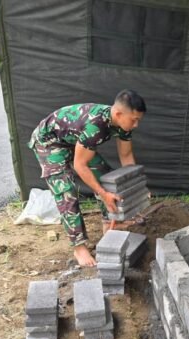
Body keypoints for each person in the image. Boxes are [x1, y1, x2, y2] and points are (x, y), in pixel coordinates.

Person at [28, 89, 146, 267]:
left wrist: (136, 187)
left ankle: (109, 222)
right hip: (49, 142)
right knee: (66, 191)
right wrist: (103, 194)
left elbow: (126, 156)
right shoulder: (95, 126)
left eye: (138, 120)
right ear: (118, 114)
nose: (136, 125)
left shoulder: (124, 124)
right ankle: (79, 247)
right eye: (134, 120)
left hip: (74, 140)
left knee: (105, 176)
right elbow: (80, 165)